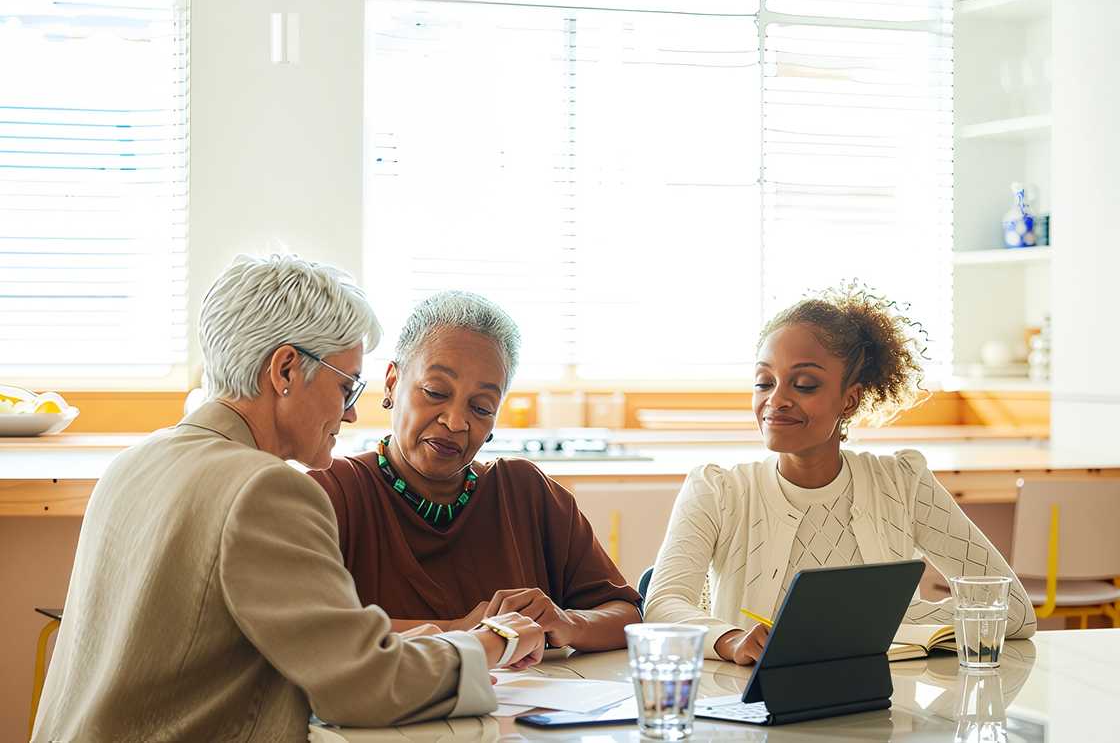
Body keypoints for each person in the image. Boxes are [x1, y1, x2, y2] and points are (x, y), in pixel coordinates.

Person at [32, 255, 545, 743]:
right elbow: (363, 687)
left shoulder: (137, 460)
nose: (349, 414)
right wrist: (490, 641)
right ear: (283, 371)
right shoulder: (264, 489)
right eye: (347, 387)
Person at [644, 283, 1037, 666]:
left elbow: (1014, 610)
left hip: (879, 707)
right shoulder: (717, 490)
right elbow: (662, 605)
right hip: (747, 711)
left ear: (849, 400)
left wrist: (884, 624)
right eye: (764, 382)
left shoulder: (903, 482)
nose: (775, 400)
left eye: (804, 384)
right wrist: (729, 641)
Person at [310, 290, 641, 652]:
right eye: (435, 392)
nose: (455, 422)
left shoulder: (526, 492)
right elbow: (311, 629)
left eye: (481, 408)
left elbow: (627, 615)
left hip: (527, 707)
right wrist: (460, 631)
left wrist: (567, 622)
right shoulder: (331, 492)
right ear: (391, 382)